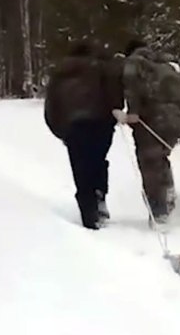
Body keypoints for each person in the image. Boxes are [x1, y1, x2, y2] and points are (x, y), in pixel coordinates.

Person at [44, 39, 124, 230]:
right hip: (101, 122)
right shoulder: (102, 67)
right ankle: (100, 195)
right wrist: (115, 112)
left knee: (81, 170)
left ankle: (89, 216)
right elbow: (113, 90)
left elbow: (51, 106)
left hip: (73, 127)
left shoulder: (59, 74)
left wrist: (61, 131)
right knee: (98, 161)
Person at [118, 39, 180, 223]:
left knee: (149, 164)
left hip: (152, 120)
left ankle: (159, 211)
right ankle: (168, 193)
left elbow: (131, 87)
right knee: (160, 158)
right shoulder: (168, 68)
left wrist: (133, 112)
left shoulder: (135, 62)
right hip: (174, 121)